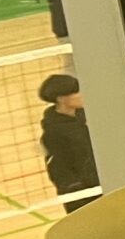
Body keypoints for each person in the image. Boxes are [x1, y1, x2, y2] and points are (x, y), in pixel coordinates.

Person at [37, 72, 97, 212]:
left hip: (102, 187)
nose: (81, 94)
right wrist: (80, 195)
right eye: (76, 92)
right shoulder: (53, 133)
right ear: (62, 99)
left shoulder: (87, 117)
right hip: (84, 198)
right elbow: (60, 171)